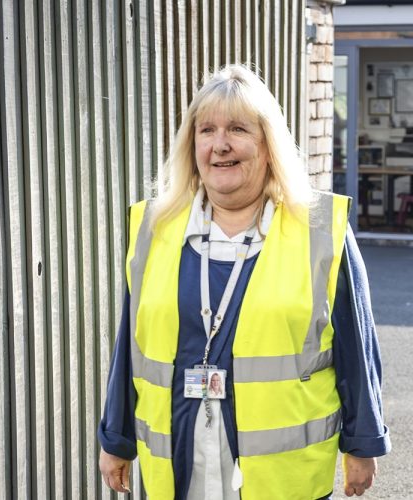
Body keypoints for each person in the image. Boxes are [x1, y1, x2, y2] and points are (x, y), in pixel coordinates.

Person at [98, 64, 390, 499]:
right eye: (207, 130)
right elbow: (130, 346)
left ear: (267, 144)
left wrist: (362, 444)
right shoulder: (155, 229)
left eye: (238, 129)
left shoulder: (319, 231)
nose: (220, 145)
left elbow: (355, 344)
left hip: (281, 475)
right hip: (181, 461)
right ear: (191, 144)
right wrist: (115, 439)